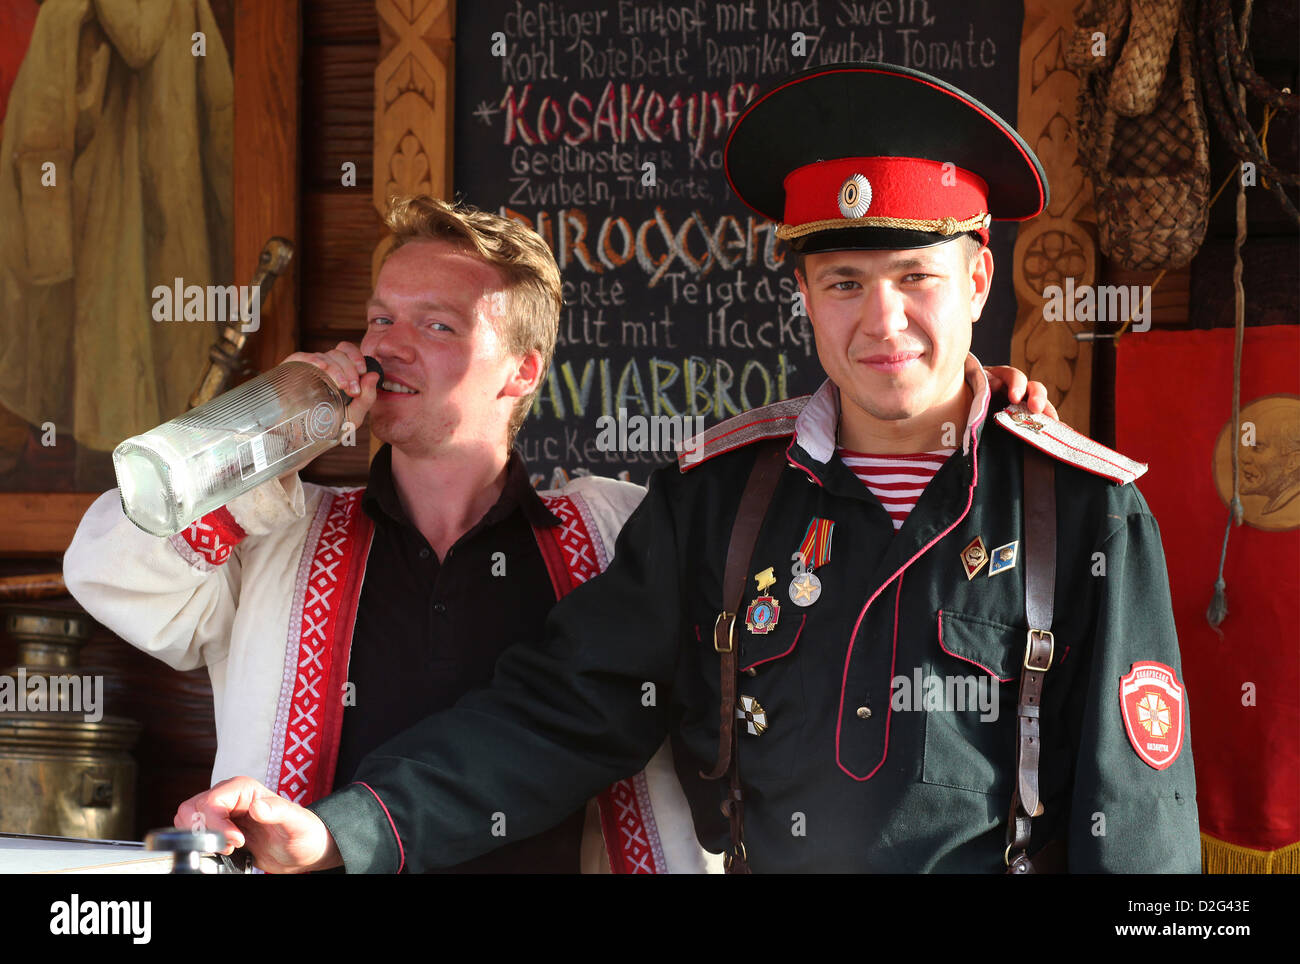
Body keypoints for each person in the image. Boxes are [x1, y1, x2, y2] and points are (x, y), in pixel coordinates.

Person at [177, 62, 1150, 873]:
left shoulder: (1082, 510)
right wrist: (336, 831)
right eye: (844, 281)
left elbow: (1136, 820)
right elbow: (563, 712)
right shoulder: (718, 501)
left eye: (916, 280)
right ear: (803, 291)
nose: (881, 321)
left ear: (978, 279)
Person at [65, 196, 715, 872]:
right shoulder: (278, 529)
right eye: (381, 317)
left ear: (523, 370)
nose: (385, 346)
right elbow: (109, 574)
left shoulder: (613, 532)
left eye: (436, 325)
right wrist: (266, 433)